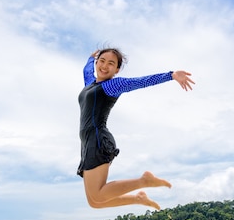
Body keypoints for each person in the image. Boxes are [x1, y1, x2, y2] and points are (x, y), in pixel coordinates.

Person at [77, 47, 195, 210]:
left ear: (117, 70)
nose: (105, 66)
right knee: (95, 202)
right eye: (102, 61)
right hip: (87, 142)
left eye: (111, 63)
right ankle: (138, 198)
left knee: (98, 195)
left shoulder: (113, 85)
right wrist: (91, 58)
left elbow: (141, 81)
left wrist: (171, 75)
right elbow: (87, 70)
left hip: (98, 140)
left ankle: (144, 181)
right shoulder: (89, 83)